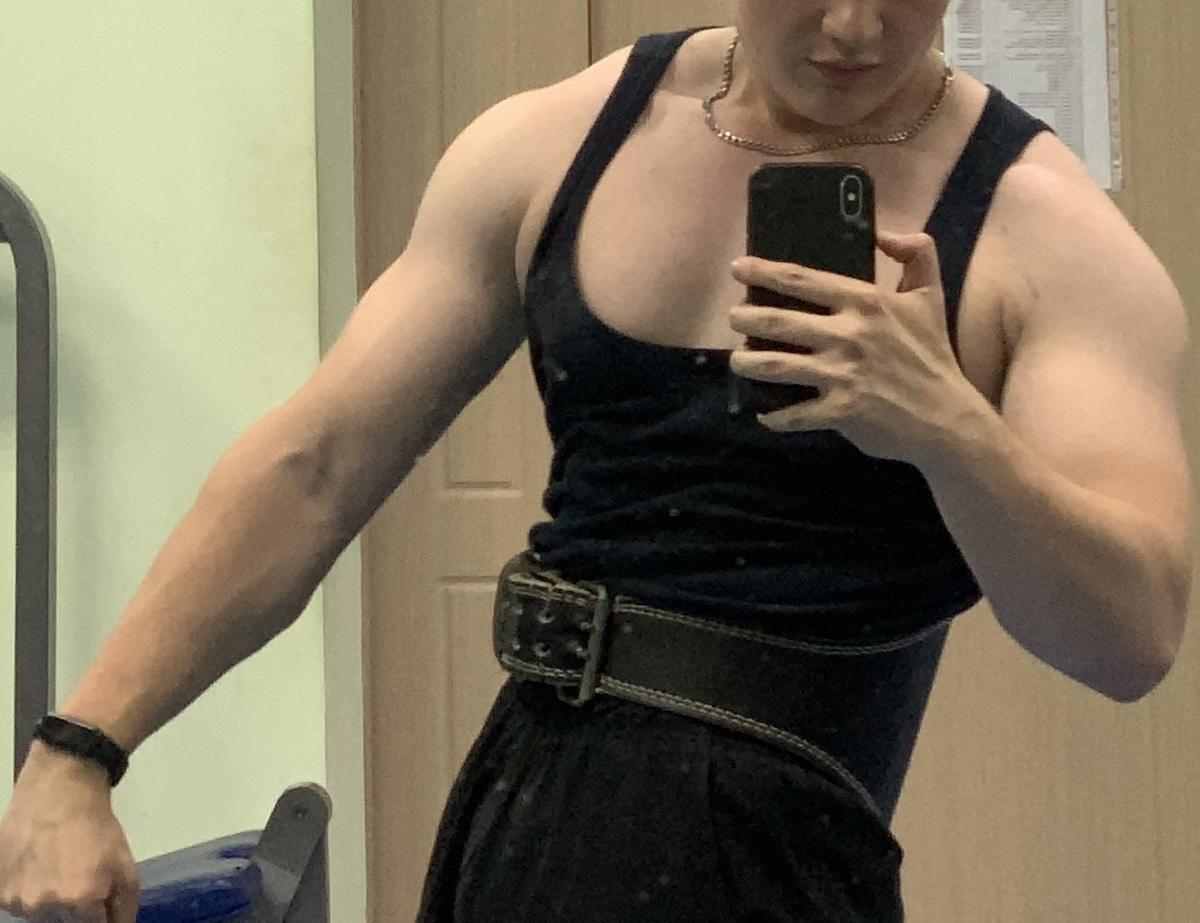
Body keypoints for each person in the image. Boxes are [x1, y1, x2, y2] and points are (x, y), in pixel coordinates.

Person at [1, 2, 1192, 922]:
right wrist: (79, 747)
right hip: (525, 815)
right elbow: (316, 465)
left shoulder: (1046, 235)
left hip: (785, 861)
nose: (853, 27)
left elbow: (1128, 634)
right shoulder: (562, 142)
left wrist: (949, 431)